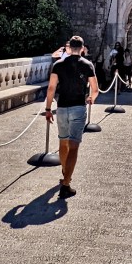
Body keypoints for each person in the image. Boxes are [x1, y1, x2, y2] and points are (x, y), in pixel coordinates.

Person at [44, 35, 98, 199]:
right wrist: (91, 98)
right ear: (82, 48)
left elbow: (51, 88)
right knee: (74, 146)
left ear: (69, 48)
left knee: (63, 143)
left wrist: (48, 109)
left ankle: (65, 172)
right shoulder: (87, 65)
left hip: (61, 108)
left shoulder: (58, 65)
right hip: (78, 108)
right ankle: (66, 184)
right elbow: (95, 89)